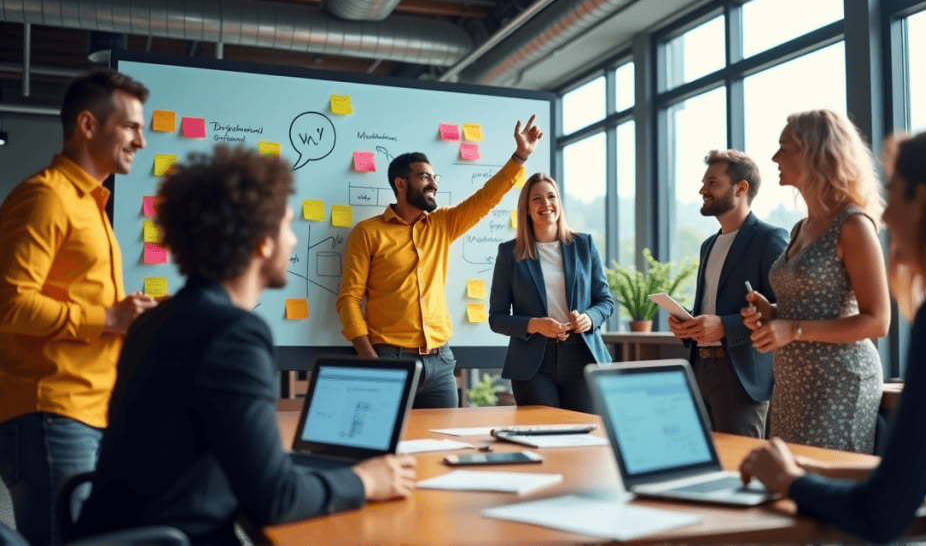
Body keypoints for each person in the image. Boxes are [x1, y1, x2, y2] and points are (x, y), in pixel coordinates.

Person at [72, 147, 416, 546]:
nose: (292, 241)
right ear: (262, 244)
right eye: (287, 226)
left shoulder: (154, 321)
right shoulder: (234, 333)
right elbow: (275, 501)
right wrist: (365, 480)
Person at [739, 124, 926, 543]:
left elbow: (881, 513)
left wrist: (788, 482)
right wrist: (811, 471)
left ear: (924, 201)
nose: (886, 216)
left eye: (897, 194)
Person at [0, 69, 159, 545]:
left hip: (86, 411)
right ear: (88, 125)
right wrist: (109, 318)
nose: (142, 141)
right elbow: (10, 305)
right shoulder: (45, 197)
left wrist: (124, 313)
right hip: (51, 413)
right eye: (130, 126)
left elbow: (73, 300)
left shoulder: (91, 206)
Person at [338, 116, 544, 409]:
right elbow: (349, 299)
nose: (433, 183)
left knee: (445, 443)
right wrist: (370, 360)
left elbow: (486, 199)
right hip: (390, 360)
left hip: (441, 362)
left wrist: (520, 156)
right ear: (400, 183)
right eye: (424, 177)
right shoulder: (368, 232)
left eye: (434, 177)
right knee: (393, 445)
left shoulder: (443, 224)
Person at [741, 109, 889, 453]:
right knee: (786, 486)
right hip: (793, 383)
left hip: (840, 383)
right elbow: (812, 308)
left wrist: (791, 329)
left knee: (820, 492)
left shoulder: (854, 225)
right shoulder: (801, 228)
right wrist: (772, 313)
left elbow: (878, 321)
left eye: (784, 148)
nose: (775, 157)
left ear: (814, 154)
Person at [668, 150, 788, 438]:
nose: (702, 190)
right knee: (701, 461)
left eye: (712, 182)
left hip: (742, 375)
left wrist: (724, 326)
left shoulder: (769, 238)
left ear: (741, 187)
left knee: (739, 466)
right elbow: (709, 305)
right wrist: (688, 326)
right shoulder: (708, 244)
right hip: (700, 370)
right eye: (703, 183)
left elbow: (784, 309)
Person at [488, 172, 615, 413]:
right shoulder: (509, 253)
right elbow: (497, 318)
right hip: (533, 366)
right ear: (526, 208)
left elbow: (605, 301)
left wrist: (589, 318)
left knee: (583, 438)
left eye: (551, 197)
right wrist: (535, 324)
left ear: (559, 202)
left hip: (582, 357)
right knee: (543, 435)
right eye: (536, 199)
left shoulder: (583, 245)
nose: (546, 204)